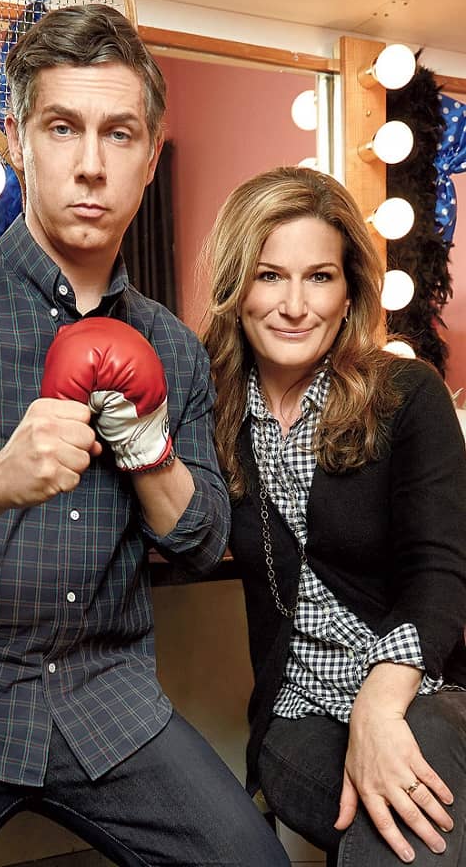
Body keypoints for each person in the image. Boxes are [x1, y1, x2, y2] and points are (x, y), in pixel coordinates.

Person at [0, 7, 290, 867]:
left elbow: (203, 538)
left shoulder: (172, 342)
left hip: (106, 703)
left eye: (118, 133)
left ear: (149, 154)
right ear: (20, 138)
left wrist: (146, 448)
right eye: (63, 128)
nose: (91, 164)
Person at [201, 166, 466, 866]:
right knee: (413, 828)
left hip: (422, 687)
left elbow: (439, 574)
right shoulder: (208, 412)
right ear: (236, 286)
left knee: (418, 826)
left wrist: (379, 708)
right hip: (299, 711)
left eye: (318, 276)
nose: (294, 305)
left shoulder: (407, 395)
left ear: (349, 289)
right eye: (268, 276)